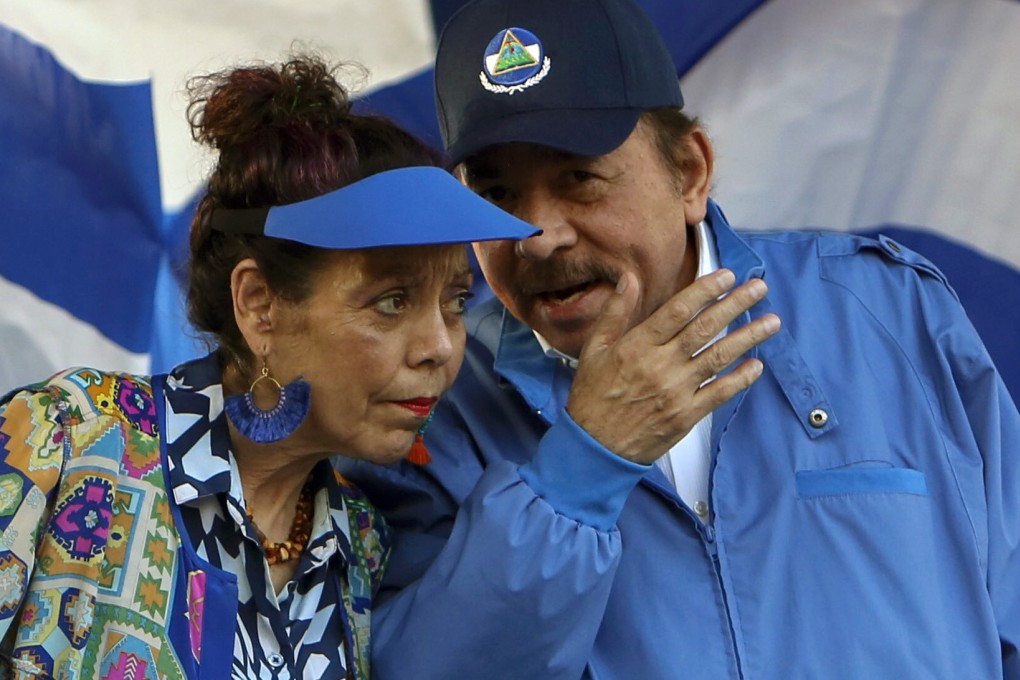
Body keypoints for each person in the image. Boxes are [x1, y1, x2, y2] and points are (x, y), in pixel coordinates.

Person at [340, 1, 1020, 678]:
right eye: (496, 196)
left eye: (579, 177)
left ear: (689, 173)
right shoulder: (436, 405)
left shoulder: (889, 311)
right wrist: (582, 469)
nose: (541, 236)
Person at [0, 54, 535, 679]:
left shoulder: (363, 549)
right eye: (392, 301)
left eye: (455, 302)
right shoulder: (69, 437)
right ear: (260, 306)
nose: (441, 346)